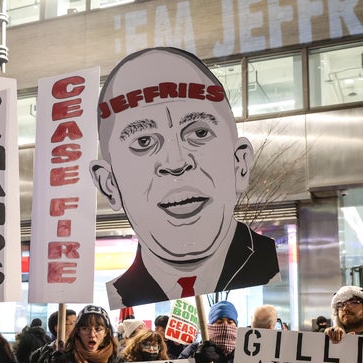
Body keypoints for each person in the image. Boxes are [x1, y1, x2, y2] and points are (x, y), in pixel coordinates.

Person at [91, 46, 279, 309]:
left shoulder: (268, 266)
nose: (176, 163)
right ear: (109, 185)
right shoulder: (124, 295)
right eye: (143, 141)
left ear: (240, 164)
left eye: (199, 133)